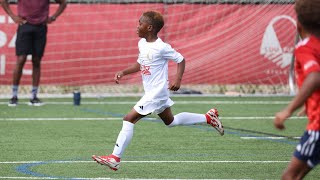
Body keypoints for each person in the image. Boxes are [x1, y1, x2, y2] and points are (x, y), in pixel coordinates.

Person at [92, 10, 224, 171]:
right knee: (171, 121)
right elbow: (140, 64)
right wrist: (124, 72)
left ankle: (115, 158)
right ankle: (208, 117)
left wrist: (178, 79)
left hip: (157, 93)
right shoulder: (142, 44)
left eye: (140, 23)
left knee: (128, 119)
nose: (137, 26)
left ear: (149, 27)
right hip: (152, 92)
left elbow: (181, 59)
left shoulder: (161, 47)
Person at [273, 0, 320, 179]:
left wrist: (288, 110)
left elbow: (314, 77)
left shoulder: (305, 47)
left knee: (290, 177)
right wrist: (308, 103)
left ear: (298, 23)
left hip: (318, 127)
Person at [0, 0, 67, 106]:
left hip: (41, 27)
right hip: (24, 25)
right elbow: (3, 1)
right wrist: (13, 16)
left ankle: (34, 96)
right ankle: (14, 95)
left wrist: (53, 17)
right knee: (21, 59)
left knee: (36, 61)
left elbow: (63, 3)